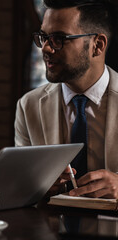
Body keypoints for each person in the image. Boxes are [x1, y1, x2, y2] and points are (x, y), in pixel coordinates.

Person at [14, 0, 118, 199]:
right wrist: (38, 186)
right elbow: (23, 186)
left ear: (98, 45)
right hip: (49, 227)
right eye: (44, 37)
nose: (45, 48)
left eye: (59, 38)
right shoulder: (29, 107)